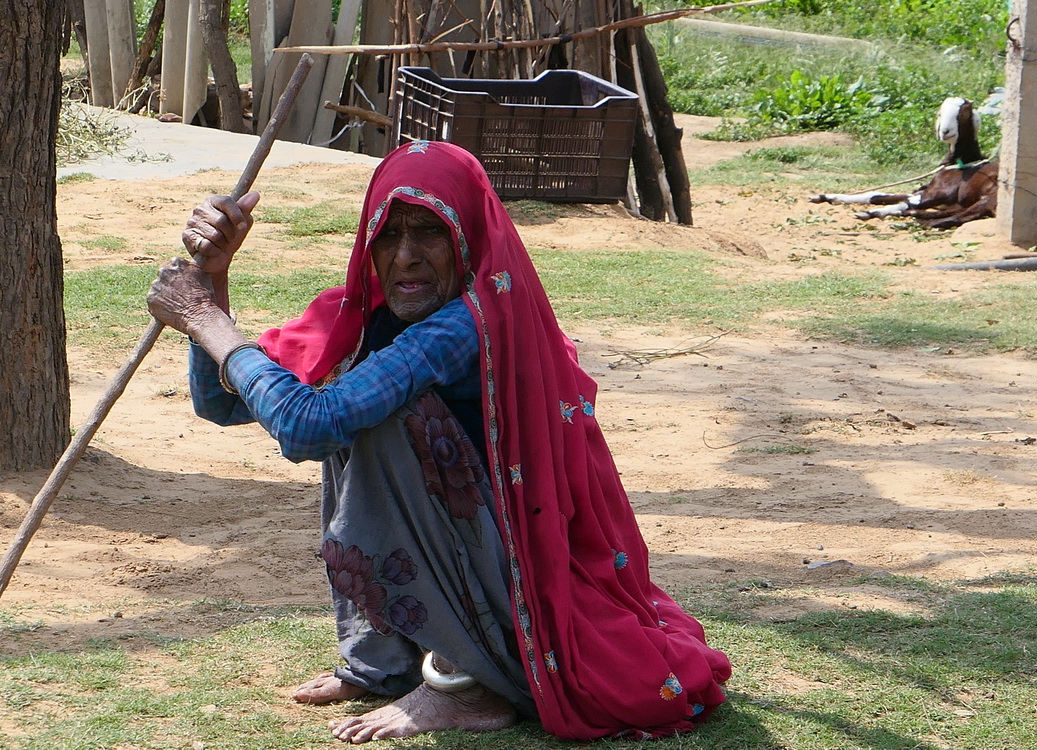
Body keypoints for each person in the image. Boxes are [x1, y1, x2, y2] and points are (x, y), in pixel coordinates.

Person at [147, 141, 731, 744]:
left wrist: (210, 324)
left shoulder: (468, 324)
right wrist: (213, 282)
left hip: (526, 584)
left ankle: (465, 682)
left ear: (467, 236)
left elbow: (306, 426)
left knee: (389, 415)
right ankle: (388, 661)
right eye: (389, 233)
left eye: (429, 231)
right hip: (482, 563)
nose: (406, 256)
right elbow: (222, 402)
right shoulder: (357, 318)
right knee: (359, 402)